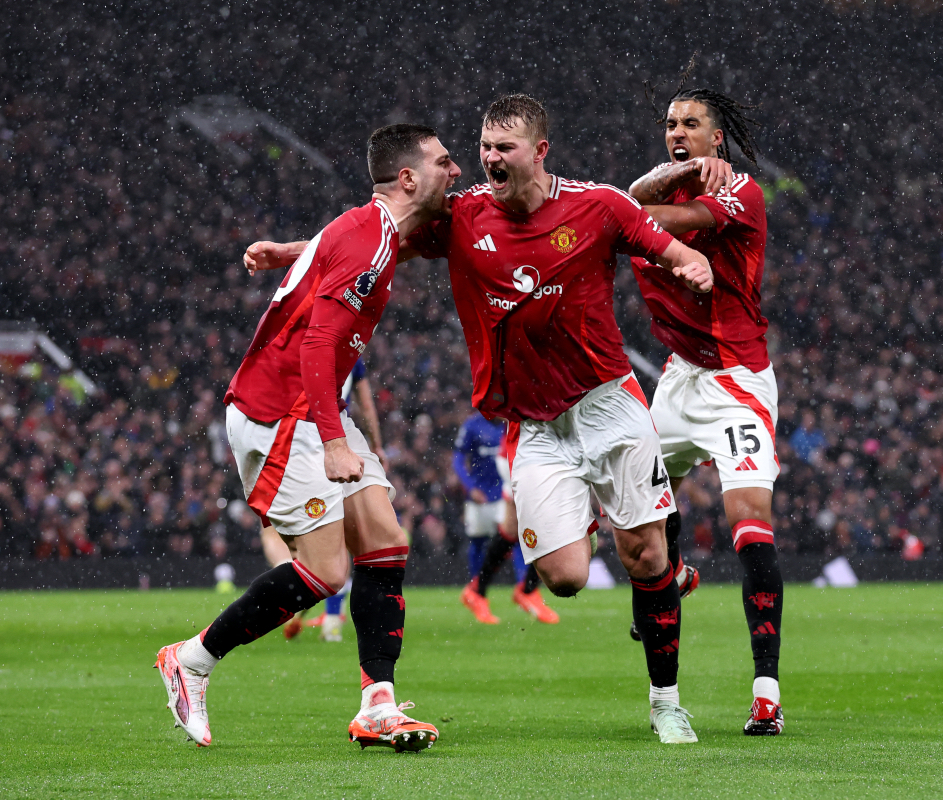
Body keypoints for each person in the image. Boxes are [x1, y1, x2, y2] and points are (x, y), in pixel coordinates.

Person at [245, 94, 714, 744]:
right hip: (531, 424)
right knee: (567, 578)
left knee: (646, 554)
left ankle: (667, 702)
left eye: (504, 148)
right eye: (485, 146)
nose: (489, 159)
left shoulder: (598, 205)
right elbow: (381, 239)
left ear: (539, 151)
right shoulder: (464, 216)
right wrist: (300, 253)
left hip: (608, 405)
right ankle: (613, 518)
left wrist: (691, 264)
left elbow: (664, 246)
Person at [155, 123, 460, 751]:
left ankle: (377, 705)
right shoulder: (369, 242)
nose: (454, 171)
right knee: (325, 572)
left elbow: (332, 249)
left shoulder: (364, 228)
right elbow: (320, 344)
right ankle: (191, 660)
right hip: (280, 414)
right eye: (443, 162)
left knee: (386, 542)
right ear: (408, 179)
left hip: (302, 409)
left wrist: (288, 254)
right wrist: (333, 440)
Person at [625, 83, 784, 735]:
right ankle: (677, 571)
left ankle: (766, 693)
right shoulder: (664, 184)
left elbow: (655, 221)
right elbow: (635, 201)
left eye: (691, 124)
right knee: (635, 515)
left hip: (738, 379)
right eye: (669, 123)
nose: (677, 130)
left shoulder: (739, 193)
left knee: (749, 522)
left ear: (718, 137)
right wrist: (674, 173)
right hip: (678, 379)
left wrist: (644, 197)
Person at [266, 358, 385, 642]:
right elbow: (366, 406)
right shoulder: (352, 355)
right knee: (338, 534)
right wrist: (377, 445)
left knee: (284, 534)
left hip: (303, 445)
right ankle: (331, 617)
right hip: (338, 446)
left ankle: (297, 601)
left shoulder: (304, 345)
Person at [458, 414, 559, 624]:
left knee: (512, 531)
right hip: (526, 452)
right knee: (552, 522)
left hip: (522, 450)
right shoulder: (474, 425)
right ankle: (526, 589)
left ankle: (480, 590)